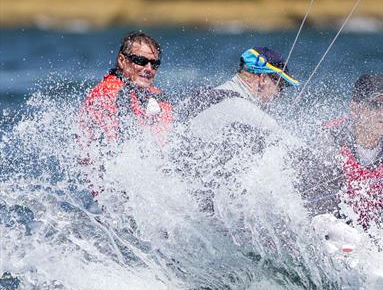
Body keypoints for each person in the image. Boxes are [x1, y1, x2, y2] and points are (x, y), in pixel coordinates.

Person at [306, 74, 383, 258]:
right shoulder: (330, 141)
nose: (382, 113)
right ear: (354, 109)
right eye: (374, 105)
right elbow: (319, 216)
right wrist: (365, 248)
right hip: (321, 227)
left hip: (366, 237)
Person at [172, 46, 300, 214]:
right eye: (280, 86)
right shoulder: (245, 111)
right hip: (188, 207)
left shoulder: (199, 96)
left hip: (172, 194)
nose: (279, 95)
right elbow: (296, 152)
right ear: (263, 78)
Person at [78, 32, 173, 195]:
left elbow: (167, 142)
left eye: (154, 64)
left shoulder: (156, 96)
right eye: (141, 61)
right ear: (122, 61)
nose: (148, 69)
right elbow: (113, 154)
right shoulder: (108, 94)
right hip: (115, 193)